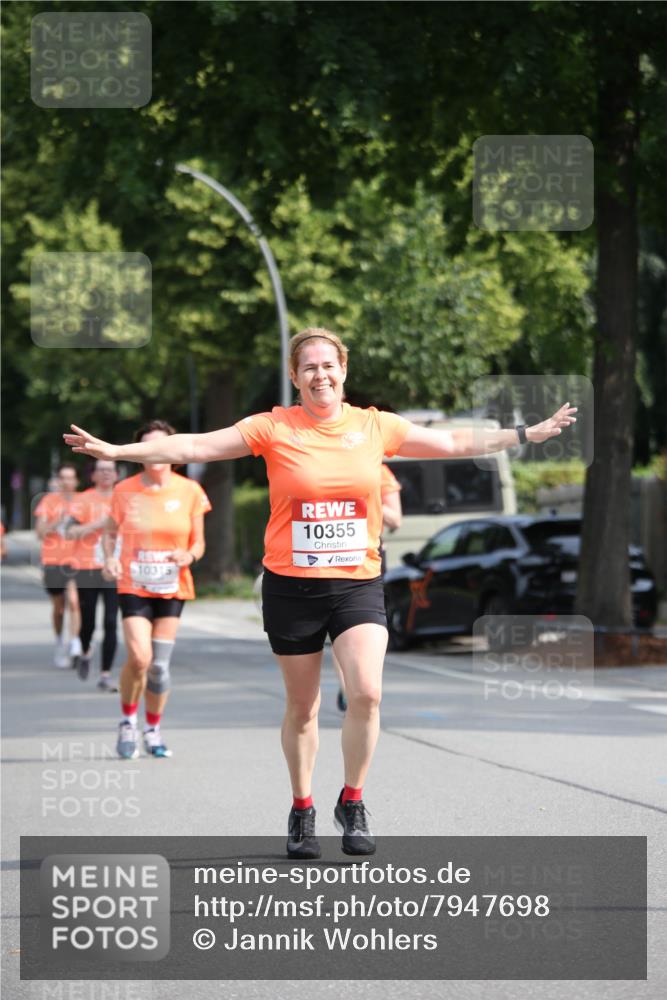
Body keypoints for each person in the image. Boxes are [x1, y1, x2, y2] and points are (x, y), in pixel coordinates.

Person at [64, 327, 576, 857]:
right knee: (303, 707)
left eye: (328, 365)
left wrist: (522, 435)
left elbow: (450, 442)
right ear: (294, 376)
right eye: (308, 367)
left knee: (367, 693)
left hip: (356, 583)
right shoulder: (273, 427)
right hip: (292, 587)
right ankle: (302, 808)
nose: (320, 374)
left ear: (343, 370)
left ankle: (352, 801)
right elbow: (197, 444)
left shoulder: (374, 426)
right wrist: (119, 450)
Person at [98, 420, 211, 759]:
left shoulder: (189, 490)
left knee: (159, 667)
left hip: (172, 585)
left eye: (163, 446)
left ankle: (153, 728)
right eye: (149, 447)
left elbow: (199, 542)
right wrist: (109, 559)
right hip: (133, 583)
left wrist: (187, 554)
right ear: (140, 454)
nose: (157, 453)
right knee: (140, 657)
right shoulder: (125, 490)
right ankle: (128, 721)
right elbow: (109, 533)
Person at [334, 462, 402, 712]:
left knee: (362, 629)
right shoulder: (326, 462)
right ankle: (347, 689)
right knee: (339, 628)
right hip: (328, 553)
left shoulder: (379, 470)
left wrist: (366, 498)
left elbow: (396, 519)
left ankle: (364, 686)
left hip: (368, 556)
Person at [66, 459, 120, 690]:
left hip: (114, 568)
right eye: (102, 470)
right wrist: (100, 523)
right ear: (93, 476)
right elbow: (70, 532)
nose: (106, 474)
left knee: (110, 621)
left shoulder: (125, 498)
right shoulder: (83, 499)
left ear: (116, 474)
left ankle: (106, 673)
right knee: (87, 621)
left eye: (110, 470)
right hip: (87, 566)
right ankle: (86, 650)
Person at [34, 463, 82, 668]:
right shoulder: (48, 501)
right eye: (63, 477)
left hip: (77, 560)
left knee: (74, 601)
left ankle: (75, 643)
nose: (66, 481)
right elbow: (40, 532)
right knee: (59, 608)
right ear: (58, 480)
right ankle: (59, 641)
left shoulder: (84, 500)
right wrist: (58, 520)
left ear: (77, 481)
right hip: (53, 560)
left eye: (70, 478)